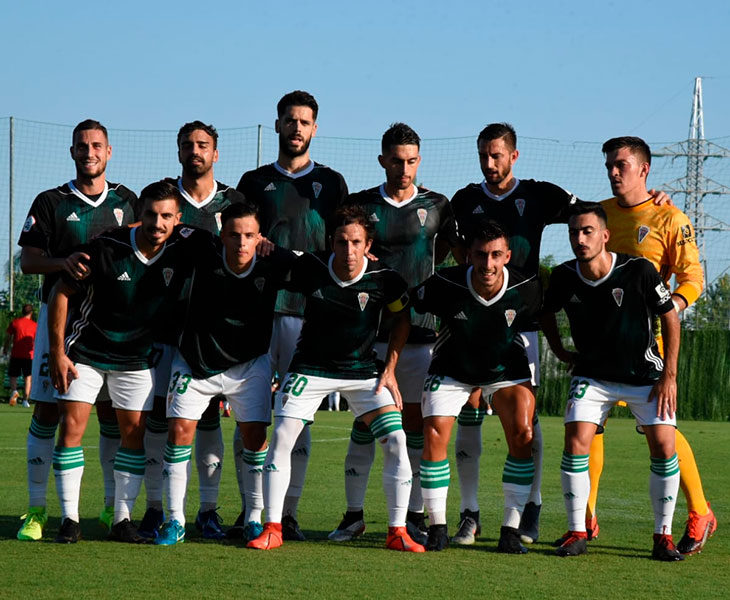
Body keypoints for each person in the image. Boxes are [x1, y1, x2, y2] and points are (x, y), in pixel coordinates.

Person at [449, 123, 669, 545]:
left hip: (525, 323)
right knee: (470, 411)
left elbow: (592, 215)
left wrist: (649, 198)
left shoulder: (539, 194)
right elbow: (449, 240)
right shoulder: (464, 200)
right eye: (483, 155)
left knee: (526, 420)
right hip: (475, 323)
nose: (489, 163)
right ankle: (469, 513)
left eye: (497, 155)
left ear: (514, 156)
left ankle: (532, 506)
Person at [247, 205, 424, 552]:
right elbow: (268, 255)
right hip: (310, 369)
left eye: (356, 242)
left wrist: (390, 369)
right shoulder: (310, 267)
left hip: (362, 374)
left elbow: (402, 319)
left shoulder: (386, 279)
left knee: (397, 439)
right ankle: (272, 527)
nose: (348, 250)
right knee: (282, 435)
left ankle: (397, 531)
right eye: (341, 242)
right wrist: (261, 243)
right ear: (332, 242)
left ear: (367, 244)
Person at [573, 136, 714, 555]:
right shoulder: (599, 216)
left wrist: (667, 307)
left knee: (661, 429)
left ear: (644, 169)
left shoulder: (670, 218)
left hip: (644, 346)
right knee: (589, 425)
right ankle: (586, 515)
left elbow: (693, 278)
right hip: (599, 345)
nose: (613, 172)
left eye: (621, 165)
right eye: (609, 166)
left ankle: (700, 510)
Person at [329, 123, 458, 544]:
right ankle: (352, 515)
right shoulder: (362, 204)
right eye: (397, 160)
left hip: (421, 332)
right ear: (382, 159)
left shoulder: (439, 205)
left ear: (419, 161)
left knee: (416, 425)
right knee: (365, 425)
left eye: (412, 161)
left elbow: (453, 257)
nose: (404, 169)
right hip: (370, 333)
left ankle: (415, 515)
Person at [48, 180, 192, 544]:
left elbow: (230, 243)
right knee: (72, 430)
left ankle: (122, 518)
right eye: (149, 214)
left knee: (134, 436)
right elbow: (60, 292)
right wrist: (57, 352)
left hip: (136, 359)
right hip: (86, 353)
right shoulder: (105, 249)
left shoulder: (184, 250)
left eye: (165, 217)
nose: (156, 223)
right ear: (138, 215)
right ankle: (69, 518)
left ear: (177, 220)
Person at [16, 119, 138, 541]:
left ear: (109, 152)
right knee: (50, 411)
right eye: (82, 146)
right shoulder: (51, 201)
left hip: (109, 323)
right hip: (60, 318)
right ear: (72, 152)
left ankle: (109, 510)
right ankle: (36, 511)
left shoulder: (127, 201)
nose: (90, 152)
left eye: (97, 145)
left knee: (108, 414)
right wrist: (61, 262)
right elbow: (28, 262)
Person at [540, 202, 683, 561]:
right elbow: (546, 315)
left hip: (645, 376)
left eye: (587, 231)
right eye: (574, 232)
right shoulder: (562, 276)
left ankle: (662, 537)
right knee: (575, 443)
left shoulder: (639, 270)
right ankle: (577, 532)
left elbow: (671, 318)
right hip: (592, 376)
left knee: (665, 447)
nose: (579, 238)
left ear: (605, 236)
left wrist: (670, 376)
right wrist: (559, 351)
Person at [235, 90, 348, 541]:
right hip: (261, 310)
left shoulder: (332, 184)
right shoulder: (254, 181)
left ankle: (289, 513)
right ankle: (253, 513)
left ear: (314, 128)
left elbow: (344, 244)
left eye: (305, 121)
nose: (297, 128)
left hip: (310, 313)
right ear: (278, 124)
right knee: (254, 415)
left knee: (298, 417)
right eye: (290, 120)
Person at [155, 202, 288, 545]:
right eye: (233, 235)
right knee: (179, 431)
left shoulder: (276, 260)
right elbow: (157, 228)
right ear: (221, 234)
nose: (241, 243)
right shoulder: (202, 247)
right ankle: (174, 520)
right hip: (196, 362)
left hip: (249, 364)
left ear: (261, 237)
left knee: (255, 437)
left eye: (248, 236)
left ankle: (254, 520)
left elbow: (322, 268)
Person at [139, 121, 246, 541]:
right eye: (188, 145)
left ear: (215, 153)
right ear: (178, 151)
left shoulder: (234, 200)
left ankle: (207, 510)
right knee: (158, 421)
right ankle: (153, 509)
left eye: (203, 145)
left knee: (208, 423)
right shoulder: (162, 198)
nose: (195, 151)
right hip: (164, 329)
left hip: (213, 334)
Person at [412, 220, 542, 553]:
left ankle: (510, 530)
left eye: (496, 255)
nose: (488, 264)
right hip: (452, 369)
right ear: (468, 255)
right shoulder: (444, 282)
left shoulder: (528, 286)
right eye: (481, 255)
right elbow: (404, 304)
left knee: (524, 434)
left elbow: (551, 317)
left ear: (507, 256)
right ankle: (437, 526)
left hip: (505, 369)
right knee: (434, 433)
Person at [4, 304, 37, 407]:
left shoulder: (15, 323)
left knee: (13, 376)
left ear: (22, 311)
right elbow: (37, 341)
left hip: (16, 354)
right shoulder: (35, 325)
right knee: (28, 378)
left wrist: (5, 349)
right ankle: (25, 400)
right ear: (31, 313)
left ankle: (14, 391)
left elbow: (8, 338)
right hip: (29, 356)